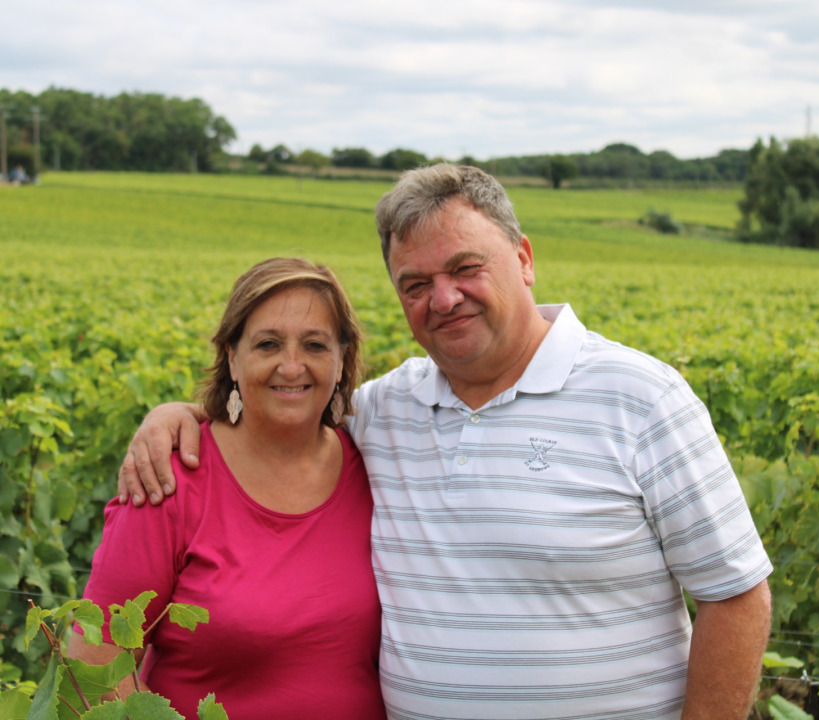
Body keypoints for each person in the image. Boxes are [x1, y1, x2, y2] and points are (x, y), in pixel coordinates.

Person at [119, 165, 773, 720]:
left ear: (524, 259)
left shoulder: (641, 398)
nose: (445, 297)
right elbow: (283, 411)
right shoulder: (383, 411)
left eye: (466, 268)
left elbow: (737, 596)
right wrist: (178, 416)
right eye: (415, 284)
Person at [71, 258, 386, 720]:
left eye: (315, 345)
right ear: (232, 357)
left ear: (341, 360)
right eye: (268, 344)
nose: (291, 365)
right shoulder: (169, 481)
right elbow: (93, 668)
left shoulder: (378, 466)